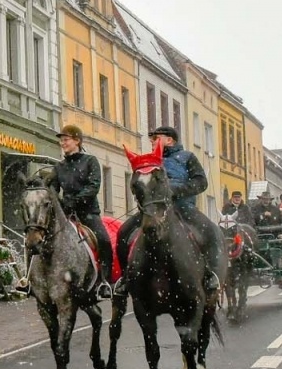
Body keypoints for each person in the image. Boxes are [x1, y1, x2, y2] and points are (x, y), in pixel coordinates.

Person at [116, 125, 220, 293]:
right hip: (154, 210)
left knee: (211, 231)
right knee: (123, 232)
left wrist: (176, 191)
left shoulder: (187, 157)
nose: (152, 142)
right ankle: (125, 277)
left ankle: (210, 274)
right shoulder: (149, 160)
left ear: (169, 140)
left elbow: (201, 182)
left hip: (183, 207)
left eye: (156, 139)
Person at [53, 124, 114, 298]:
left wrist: (74, 200)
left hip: (88, 214)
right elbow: (53, 189)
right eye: (61, 141)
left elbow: (93, 187)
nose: (62, 143)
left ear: (77, 141)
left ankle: (105, 281)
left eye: (65, 140)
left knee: (103, 240)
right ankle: (30, 281)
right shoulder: (59, 167)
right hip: (66, 215)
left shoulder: (90, 161)